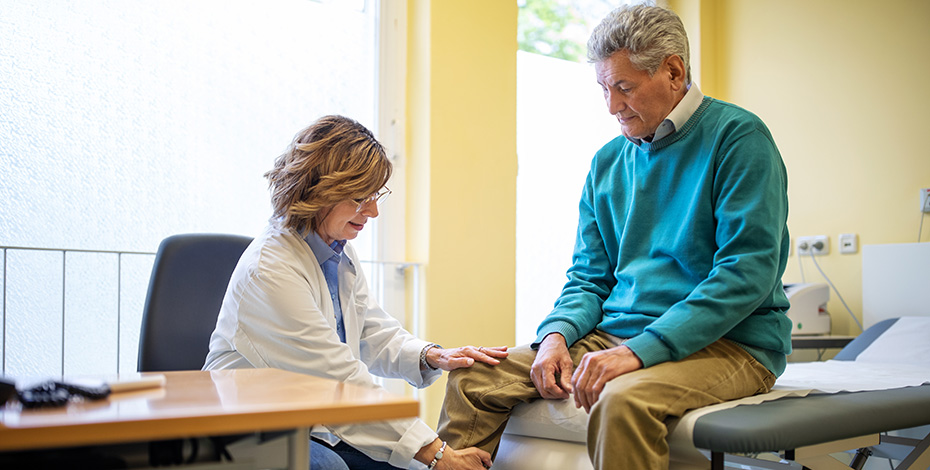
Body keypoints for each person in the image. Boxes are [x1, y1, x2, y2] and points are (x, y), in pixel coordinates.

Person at [437, 4, 792, 469]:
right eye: (604, 88)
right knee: (473, 381)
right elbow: (588, 277)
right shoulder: (607, 163)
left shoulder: (738, 138)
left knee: (621, 400)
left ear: (673, 70)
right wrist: (556, 336)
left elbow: (746, 273)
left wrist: (639, 353)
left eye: (624, 87)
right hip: (615, 334)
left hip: (731, 342)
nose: (611, 106)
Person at [203, 115, 508, 470]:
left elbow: (367, 330)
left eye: (376, 195)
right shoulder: (270, 271)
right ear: (317, 190)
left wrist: (431, 355)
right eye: (360, 197)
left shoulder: (336, 248)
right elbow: (336, 378)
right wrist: (438, 453)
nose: (374, 211)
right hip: (245, 427)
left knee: (408, 466)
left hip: (308, 422)